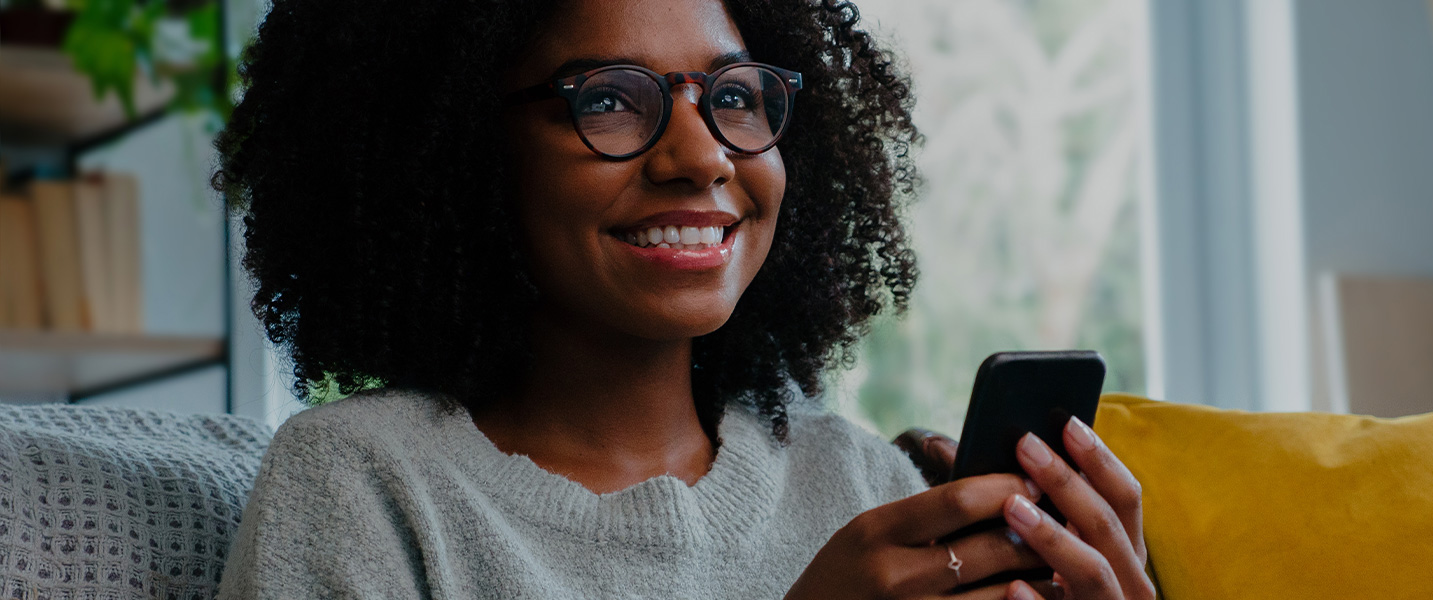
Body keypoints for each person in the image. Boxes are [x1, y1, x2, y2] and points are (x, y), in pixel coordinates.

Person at [212, 0, 1153, 598]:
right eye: (612, 100)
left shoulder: (863, 487)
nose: (702, 155)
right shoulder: (361, 488)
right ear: (450, 149)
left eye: (735, 96)